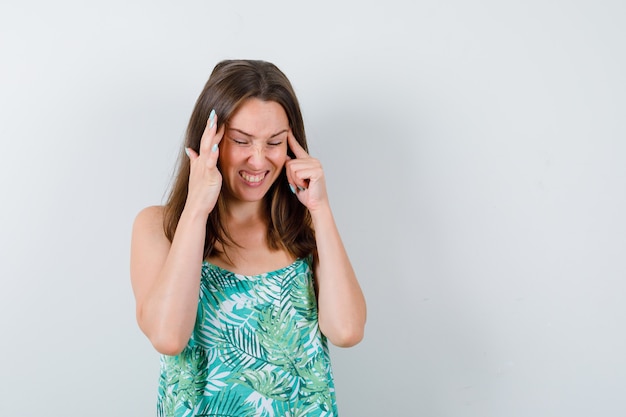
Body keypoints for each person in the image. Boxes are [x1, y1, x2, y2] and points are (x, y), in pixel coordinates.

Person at [130, 59, 366, 417]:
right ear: (210, 140)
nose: (258, 160)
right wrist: (196, 208)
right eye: (241, 141)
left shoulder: (305, 224)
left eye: (274, 142)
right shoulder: (159, 226)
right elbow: (168, 337)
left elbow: (347, 331)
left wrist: (320, 209)